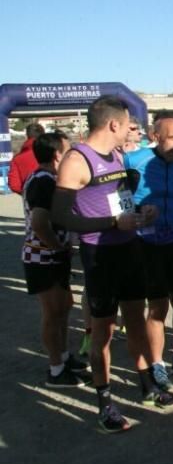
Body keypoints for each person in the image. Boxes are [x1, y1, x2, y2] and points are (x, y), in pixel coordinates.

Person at [52, 95, 173, 433]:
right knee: (103, 333)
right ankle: (105, 402)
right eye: (128, 126)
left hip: (129, 248)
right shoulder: (77, 161)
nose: (132, 132)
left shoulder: (118, 155)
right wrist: (111, 224)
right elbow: (61, 217)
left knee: (136, 321)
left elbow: (118, 202)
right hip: (100, 256)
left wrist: (141, 214)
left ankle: (147, 385)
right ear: (113, 124)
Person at [124, 111, 173, 383]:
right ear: (154, 137)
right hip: (146, 243)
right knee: (157, 306)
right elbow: (116, 198)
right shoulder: (134, 162)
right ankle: (157, 363)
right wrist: (136, 212)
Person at [21, 130, 89, 386]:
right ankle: (56, 369)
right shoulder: (43, 181)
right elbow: (39, 221)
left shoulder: (48, 178)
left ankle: (63, 356)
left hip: (52, 256)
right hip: (42, 257)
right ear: (57, 154)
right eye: (68, 149)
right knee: (52, 313)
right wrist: (57, 246)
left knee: (63, 308)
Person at [9, 122, 44, 195]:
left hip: (31, 199)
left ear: (27, 135)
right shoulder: (52, 151)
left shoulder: (17, 158)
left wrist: (26, 193)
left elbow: (14, 185)